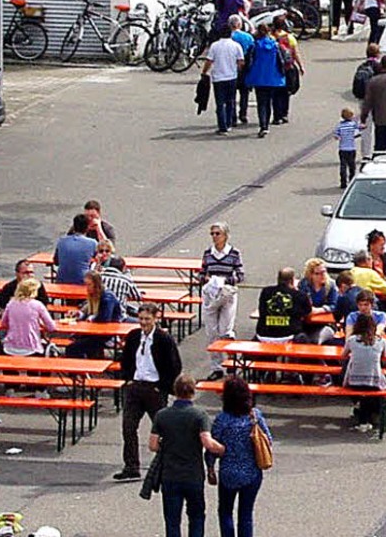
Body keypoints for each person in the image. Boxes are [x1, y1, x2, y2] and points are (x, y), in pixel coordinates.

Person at [150, 374, 225, 537]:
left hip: (170, 475)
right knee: (196, 516)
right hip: (193, 474)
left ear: (175, 391)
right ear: (193, 392)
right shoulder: (199, 415)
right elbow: (207, 442)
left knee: (172, 520)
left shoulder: (162, 415)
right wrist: (223, 449)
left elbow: (153, 445)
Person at [115, 303, 182, 482]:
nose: (143, 322)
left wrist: (162, 387)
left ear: (155, 318)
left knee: (161, 430)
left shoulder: (164, 339)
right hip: (135, 387)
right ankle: (131, 466)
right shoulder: (134, 336)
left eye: (147, 319)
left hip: (154, 389)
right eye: (141, 319)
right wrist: (128, 379)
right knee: (128, 427)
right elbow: (125, 359)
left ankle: (166, 466)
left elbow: (175, 365)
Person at [206, 376, 272, 537]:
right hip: (252, 472)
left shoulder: (222, 419)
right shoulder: (254, 416)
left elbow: (213, 446)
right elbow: (268, 439)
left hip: (229, 472)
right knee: (246, 515)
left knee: (225, 512)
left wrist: (210, 467)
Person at [200, 222, 244, 380]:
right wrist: (206, 279)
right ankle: (216, 367)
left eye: (217, 234)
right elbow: (202, 273)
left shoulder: (234, 254)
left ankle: (232, 361)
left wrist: (225, 280)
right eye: (212, 234)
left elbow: (240, 274)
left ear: (225, 235)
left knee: (225, 330)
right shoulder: (207, 253)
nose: (214, 237)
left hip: (227, 294)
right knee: (212, 332)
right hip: (211, 295)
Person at [343, 313, 386, 433]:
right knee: (376, 386)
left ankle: (363, 415)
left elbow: (343, 356)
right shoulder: (381, 341)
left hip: (354, 381)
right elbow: (384, 358)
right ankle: (373, 414)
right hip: (374, 382)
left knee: (349, 375)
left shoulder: (352, 340)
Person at [64, 270, 122, 359]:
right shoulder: (93, 295)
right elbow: (87, 310)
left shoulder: (107, 297)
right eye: (85, 284)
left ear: (96, 284)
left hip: (106, 335)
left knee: (72, 348)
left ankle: (80, 370)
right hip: (94, 332)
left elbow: (104, 318)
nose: (86, 288)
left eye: (89, 285)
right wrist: (78, 314)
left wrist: (90, 318)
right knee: (75, 340)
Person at [202, 25, 246, 135]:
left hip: (218, 77)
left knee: (220, 103)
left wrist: (204, 72)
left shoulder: (214, 46)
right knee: (230, 101)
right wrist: (238, 69)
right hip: (232, 76)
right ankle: (229, 122)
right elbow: (241, 61)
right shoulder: (236, 46)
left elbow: (209, 61)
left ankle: (222, 126)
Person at [243, 24, 285, 138]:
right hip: (273, 77)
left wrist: (247, 74)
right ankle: (266, 124)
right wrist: (282, 73)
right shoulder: (275, 45)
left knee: (261, 102)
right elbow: (281, 61)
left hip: (258, 77)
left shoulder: (255, 46)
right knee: (269, 102)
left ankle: (263, 125)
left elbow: (249, 61)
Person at [0, 278, 55, 356]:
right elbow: (51, 327)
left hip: (10, 347)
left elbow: (3, 324)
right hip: (31, 348)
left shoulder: (11, 303)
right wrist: (41, 324)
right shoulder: (38, 305)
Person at [255, 268, 311, 344]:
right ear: (292, 280)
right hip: (288, 337)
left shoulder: (266, 291)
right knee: (304, 338)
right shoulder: (299, 295)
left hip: (263, 336)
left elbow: (261, 309)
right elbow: (307, 311)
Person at [270, 15, 304, 127]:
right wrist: (300, 66)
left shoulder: (271, 37)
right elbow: (295, 53)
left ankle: (276, 116)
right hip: (288, 67)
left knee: (275, 93)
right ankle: (284, 114)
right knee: (286, 92)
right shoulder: (289, 37)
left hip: (274, 69)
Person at [54, 214, 98, 285]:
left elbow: (56, 262)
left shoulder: (62, 240)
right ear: (87, 228)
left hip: (61, 280)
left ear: (74, 226)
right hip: (82, 281)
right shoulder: (92, 243)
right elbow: (98, 259)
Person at [229, 15, 255, 126]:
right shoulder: (248, 37)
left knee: (231, 94)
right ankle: (243, 114)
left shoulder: (228, 37)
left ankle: (232, 116)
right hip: (246, 67)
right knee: (244, 93)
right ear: (240, 24)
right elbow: (253, 52)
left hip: (231, 67)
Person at [334, 108, 360, 189]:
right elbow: (357, 133)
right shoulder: (353, 125)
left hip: (342, 149)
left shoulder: (340, 126)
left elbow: (336, 136)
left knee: (343, 166)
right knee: (352, 166)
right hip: (351, 149)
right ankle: (351, 180)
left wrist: (340, 136)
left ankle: (343, 182)